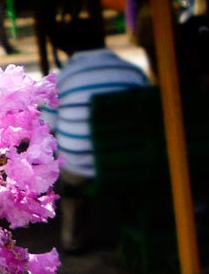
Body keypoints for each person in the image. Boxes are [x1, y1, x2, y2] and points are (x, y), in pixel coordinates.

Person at [43, 20, 152, 251]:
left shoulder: (62, 80)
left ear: (68, 49)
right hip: (133, 160)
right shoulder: (131, 72)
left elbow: (47, 128)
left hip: (81, 165)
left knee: (64, 161)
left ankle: (71, 236)